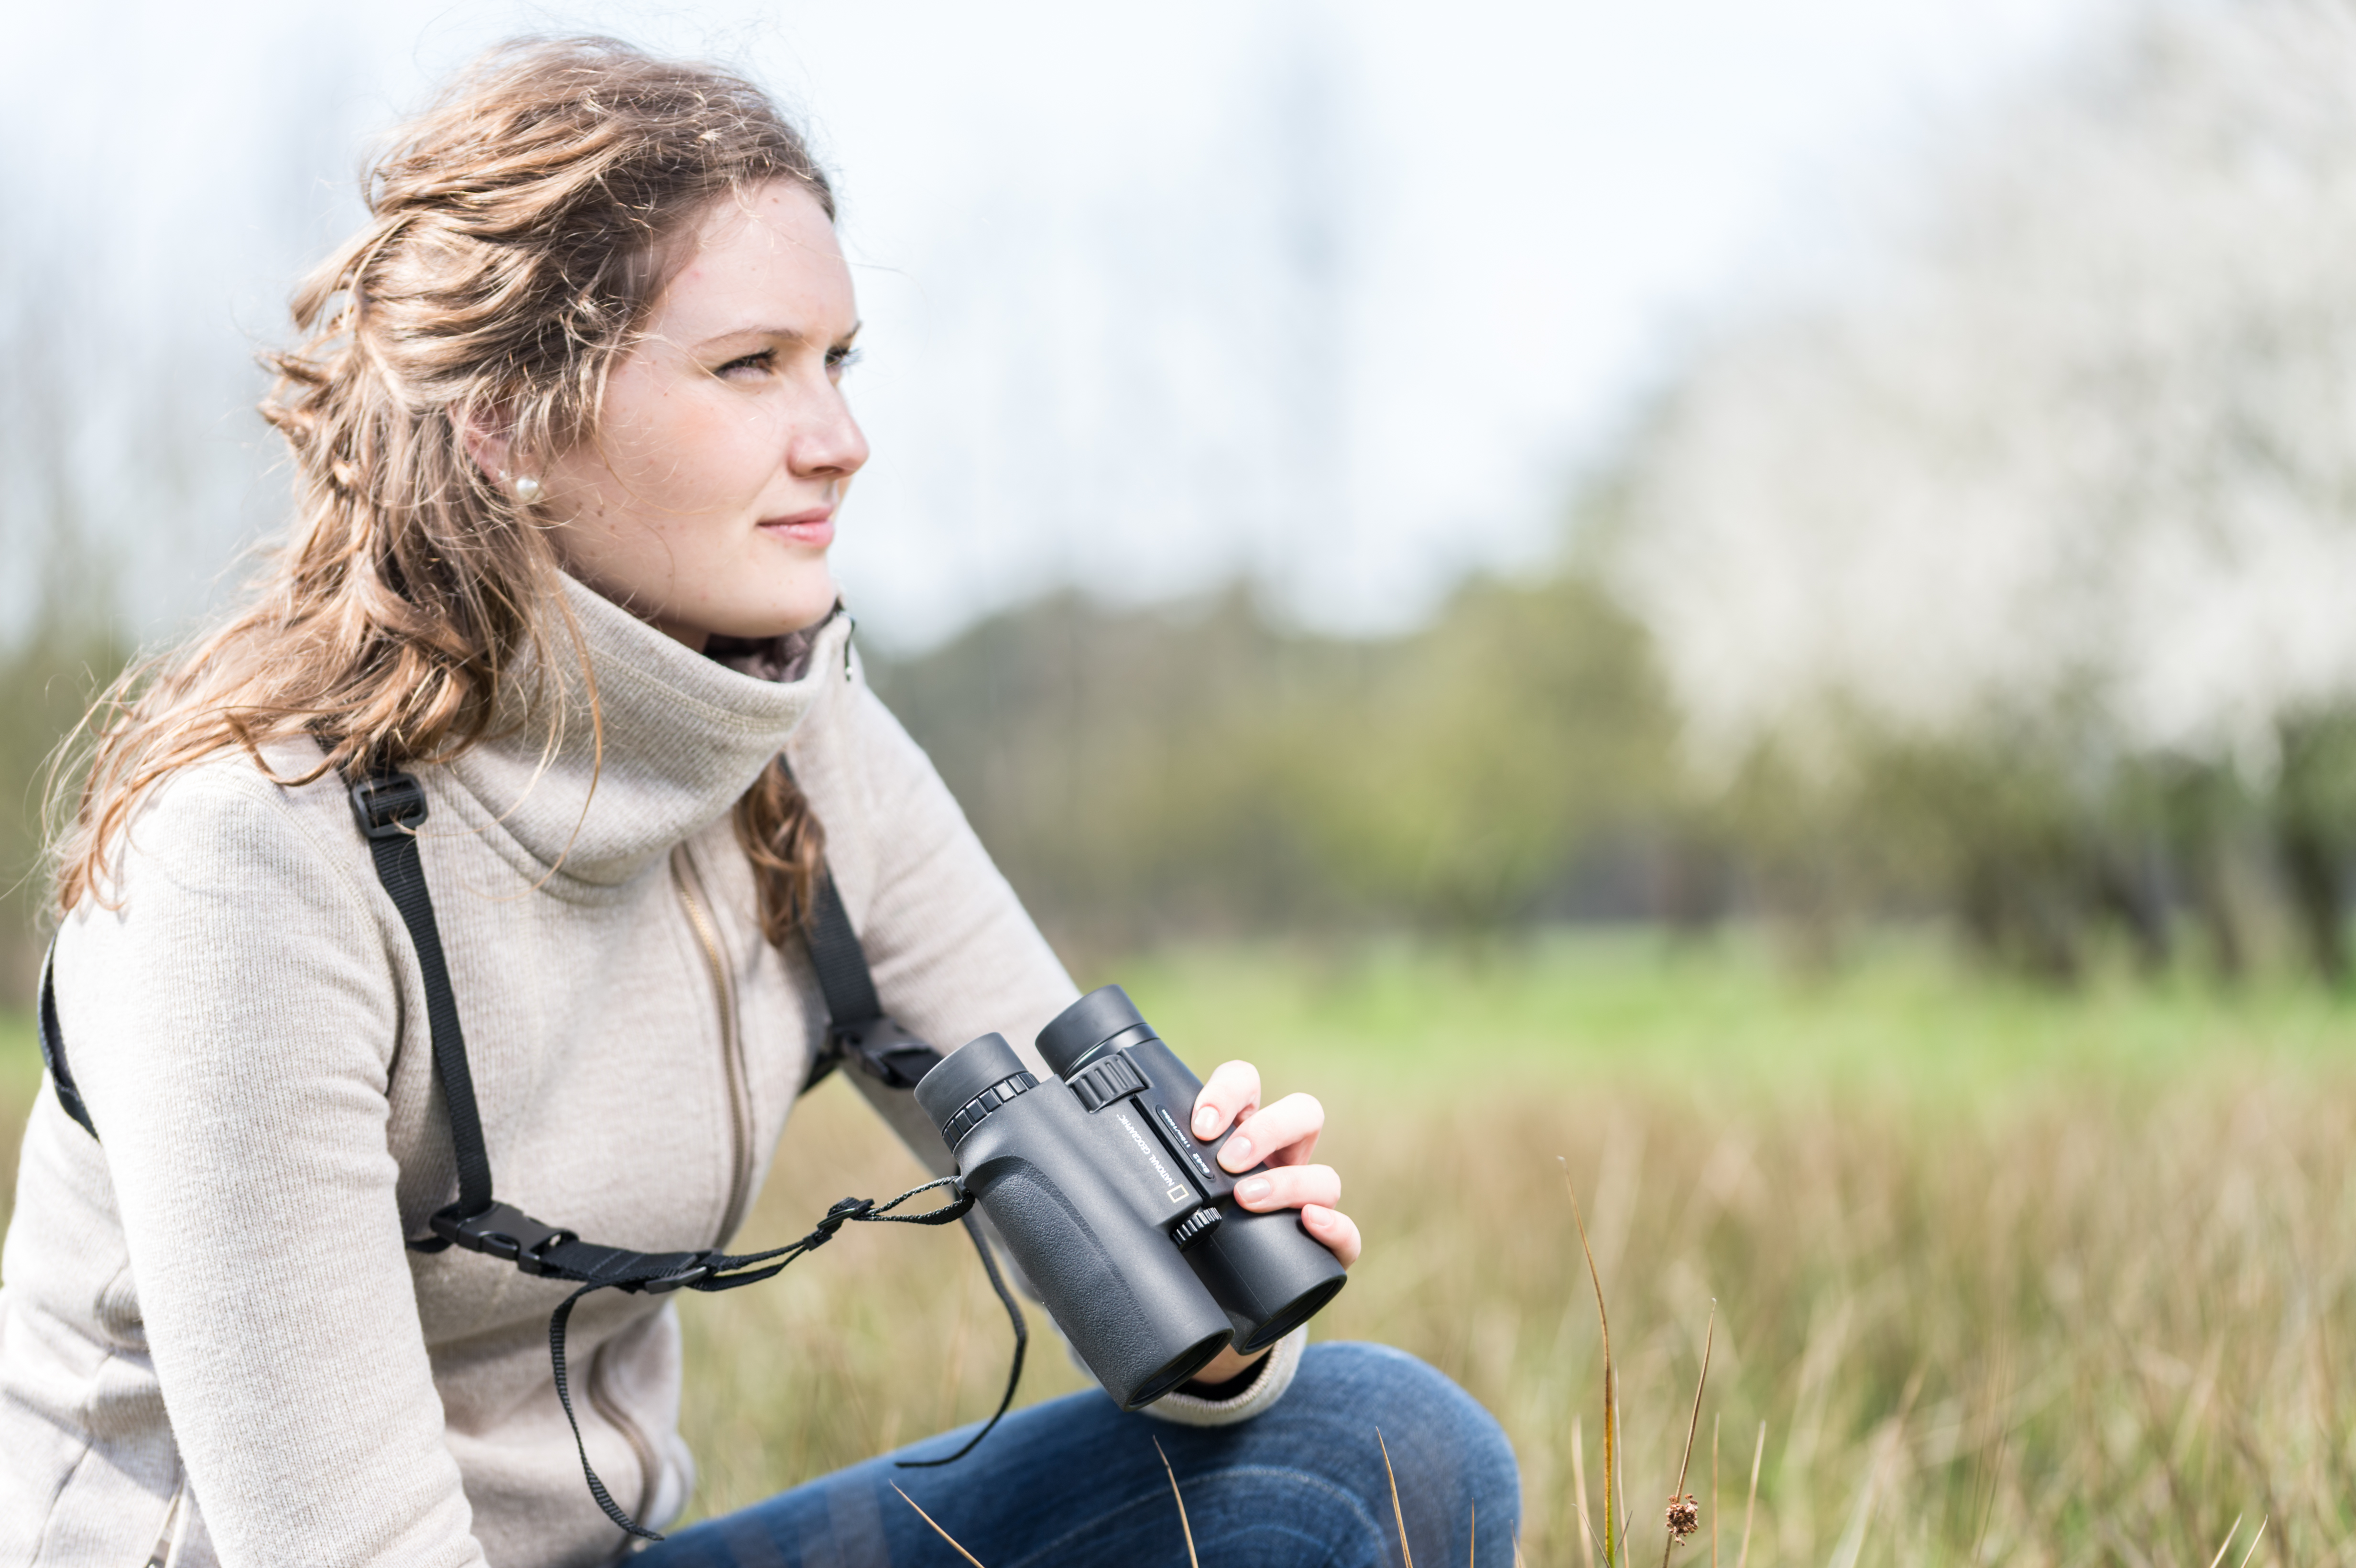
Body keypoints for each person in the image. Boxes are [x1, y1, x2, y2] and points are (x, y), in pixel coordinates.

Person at [0, 37, 1518, 1568]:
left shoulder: (806, 748)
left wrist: (1215, 1295)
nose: (840, 439)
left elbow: (1188, 1364)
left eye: (840, 359)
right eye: (752, 367)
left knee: (1377, 1460)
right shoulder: (248, 862)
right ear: (509, 425)